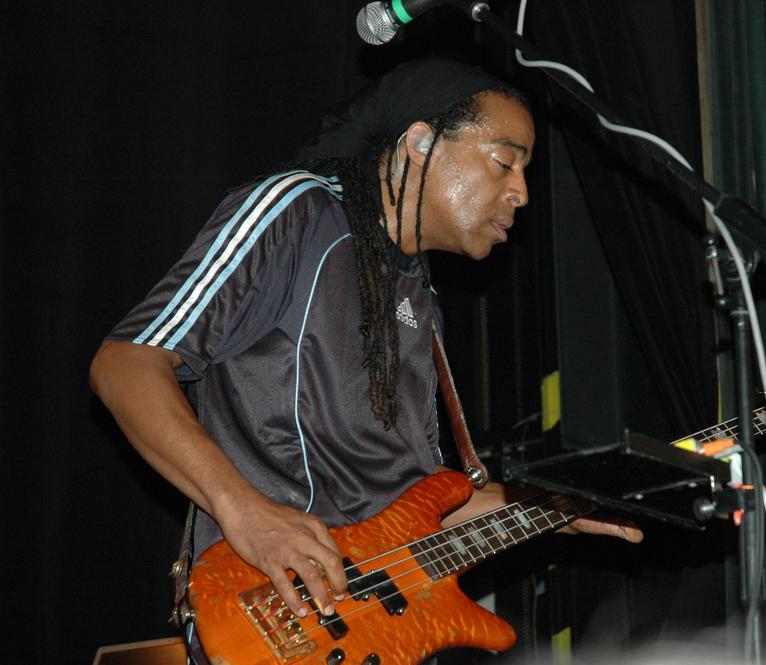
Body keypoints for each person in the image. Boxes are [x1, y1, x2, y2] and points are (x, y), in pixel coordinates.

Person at [89, 57, 641, 660]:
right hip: (275, 609)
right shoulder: (297, 212)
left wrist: (554, 508)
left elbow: (413, 507)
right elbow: (125, 364)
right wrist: (243, 510)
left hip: (369, 631)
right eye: (504, 161)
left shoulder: (421, 297)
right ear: (420, 144)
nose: (521, 192)